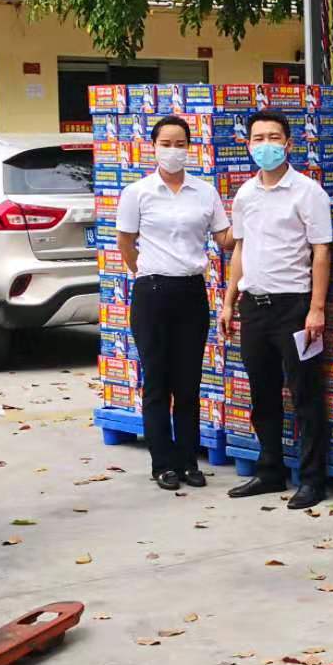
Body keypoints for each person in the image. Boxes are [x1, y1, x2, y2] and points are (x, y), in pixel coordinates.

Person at [219, 110, 333, 510]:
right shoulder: (245, 194)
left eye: (273, 137)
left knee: (305, 394)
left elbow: (321, 252)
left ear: (288, 144)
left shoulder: (308, 192)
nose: (265, 145)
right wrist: (229, 300)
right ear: (247, 144)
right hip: (254, 306)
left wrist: (316, 308)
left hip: (294, 307)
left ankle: (312, 479)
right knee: (262, 392)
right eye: (258, 138)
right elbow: (240, 248)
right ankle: (270, 469)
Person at [117, 116, 232, 491]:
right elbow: (125, 242)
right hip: (152, 292)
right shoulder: (138, 193)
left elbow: (225, 238)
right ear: (153, 147)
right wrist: (145, 272)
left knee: (188, 381)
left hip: (191, 291)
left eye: (180, 143)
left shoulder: (205, 192)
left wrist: (253, 216)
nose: (173, 150)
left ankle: (188, 460)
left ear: (189, 147)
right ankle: (162, 463)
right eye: (165, 143)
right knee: (157, 380)